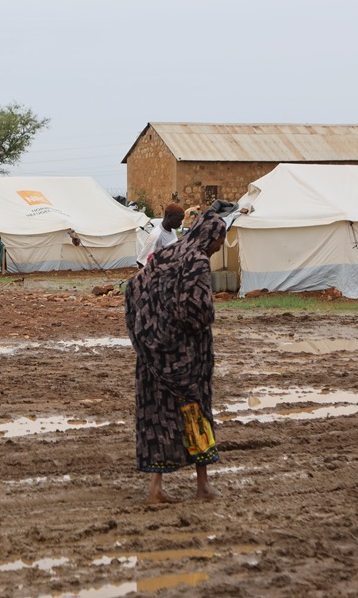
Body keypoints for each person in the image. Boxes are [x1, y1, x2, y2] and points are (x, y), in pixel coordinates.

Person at [125, 209, 227, 505]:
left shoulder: (170, 252)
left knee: (158, 418)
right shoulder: (196, 260)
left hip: (155, 355)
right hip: (185, 357)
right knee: (195, 413)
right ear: (212, 236)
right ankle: (203, 485)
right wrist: (207, 315)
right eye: (221, 239)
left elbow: (134, 287)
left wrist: (151, 330)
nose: (220, 246)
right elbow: (194, 311)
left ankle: (155, 489)